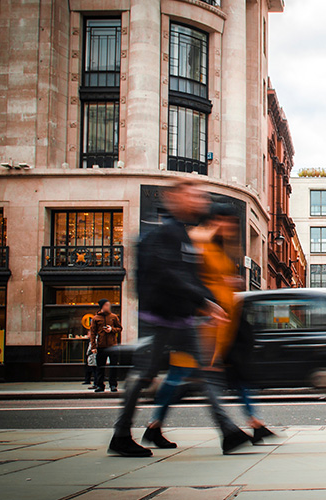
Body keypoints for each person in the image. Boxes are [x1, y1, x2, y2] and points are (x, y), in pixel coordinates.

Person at [108, 179, 251, 457]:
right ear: (175, 198)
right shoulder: (167, 233)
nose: (201, 201)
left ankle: (229, 432)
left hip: (182, 319)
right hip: (161, 318)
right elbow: (169, 275)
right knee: (145, 375)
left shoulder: (183, 234)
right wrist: (205, 303)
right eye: (194, 196)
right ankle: (122, 433)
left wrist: (208, 303)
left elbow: (191, 277)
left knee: (205, 374)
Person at [144, 203, 276, 447]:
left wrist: (229, 283)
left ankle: (156, 426)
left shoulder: (218, 246)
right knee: (186, 377)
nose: (231, 227)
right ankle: (231, 431)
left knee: (192, 376)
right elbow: (189, 279)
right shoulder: (199, 241)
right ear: (216, 219)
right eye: (227, 221)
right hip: (202, 324)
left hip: (222, 324)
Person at [90, 299, 122, 393]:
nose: (108, 307)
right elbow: (92, 333)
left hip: (113, 345)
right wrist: (93, 347)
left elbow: (120, 328)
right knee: (100, 367)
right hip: (101, 345)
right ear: (102, 306)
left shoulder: (113, 317)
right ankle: (100, 385)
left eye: (109, 305)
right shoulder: (96, 318)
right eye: (107, 305)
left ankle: (113, 385)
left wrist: (111, 329)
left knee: (113, 366)